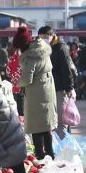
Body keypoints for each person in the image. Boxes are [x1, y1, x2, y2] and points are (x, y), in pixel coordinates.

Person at [20, 26, 58, 159]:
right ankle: (50, 153)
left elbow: (26, 79)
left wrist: (18, 83)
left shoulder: (31, 56)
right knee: (46, 125)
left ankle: (40, 155)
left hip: (36, 93)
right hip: (47, 90)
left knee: (36, 126)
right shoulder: (43, 50)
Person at [48, 29, 75, 138]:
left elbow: (66, 69)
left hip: (60, 88)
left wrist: (69, 88)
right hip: (49, 88)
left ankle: (63, 146)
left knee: (60, 120)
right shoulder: (45, 48)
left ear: (51, 35)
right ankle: (62, 142)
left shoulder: (60, 48)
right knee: (55, 120)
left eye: (44, 37)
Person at [5, 42, 24, 115]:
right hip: (25, 86)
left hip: (15, 86)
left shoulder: (11, 59)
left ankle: (19, 122)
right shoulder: (26, 58)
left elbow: (8, 73)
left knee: (16, 106)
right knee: (22, 107)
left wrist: (14, 76)